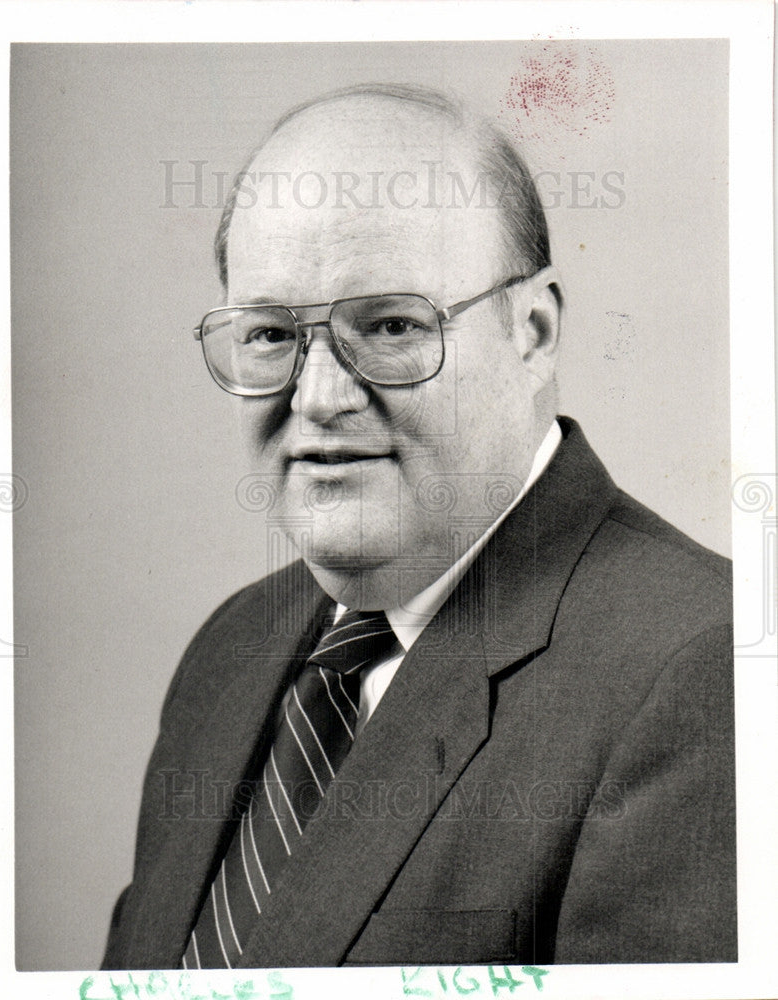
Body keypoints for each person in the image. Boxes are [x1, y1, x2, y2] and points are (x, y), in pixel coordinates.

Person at [102, 83, 736, 970]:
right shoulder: (230, 648)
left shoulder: (705, 673)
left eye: (392, 325)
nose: (319, 398)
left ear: (535, 331)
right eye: (272, 335)